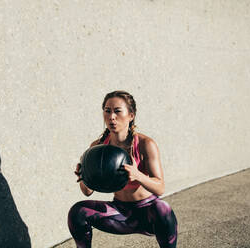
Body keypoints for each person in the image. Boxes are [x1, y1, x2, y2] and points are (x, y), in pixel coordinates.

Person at [68, 91, 178, 248]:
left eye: (117, 111)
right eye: (107, 111)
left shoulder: (145, 144)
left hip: (148, 215)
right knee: (77, 212)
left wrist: (138, 175)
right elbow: (87, 191)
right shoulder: (97, 147)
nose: (111, 117)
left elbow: (160, 188)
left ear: (131, 115)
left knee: (162, 208)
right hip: (120, 214)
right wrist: (84, 176)